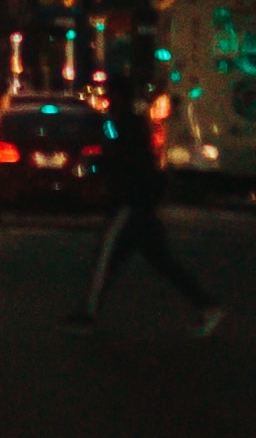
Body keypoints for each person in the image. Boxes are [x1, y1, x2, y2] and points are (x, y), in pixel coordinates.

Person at [75, 61, 217, 334]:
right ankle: (207, 305)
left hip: (129, 202)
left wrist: (95, 166)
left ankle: (87, 314)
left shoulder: (122, 124)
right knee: (158, 260)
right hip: (140, 201)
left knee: (106, 258)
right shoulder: (130, 123)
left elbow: (120, 159)